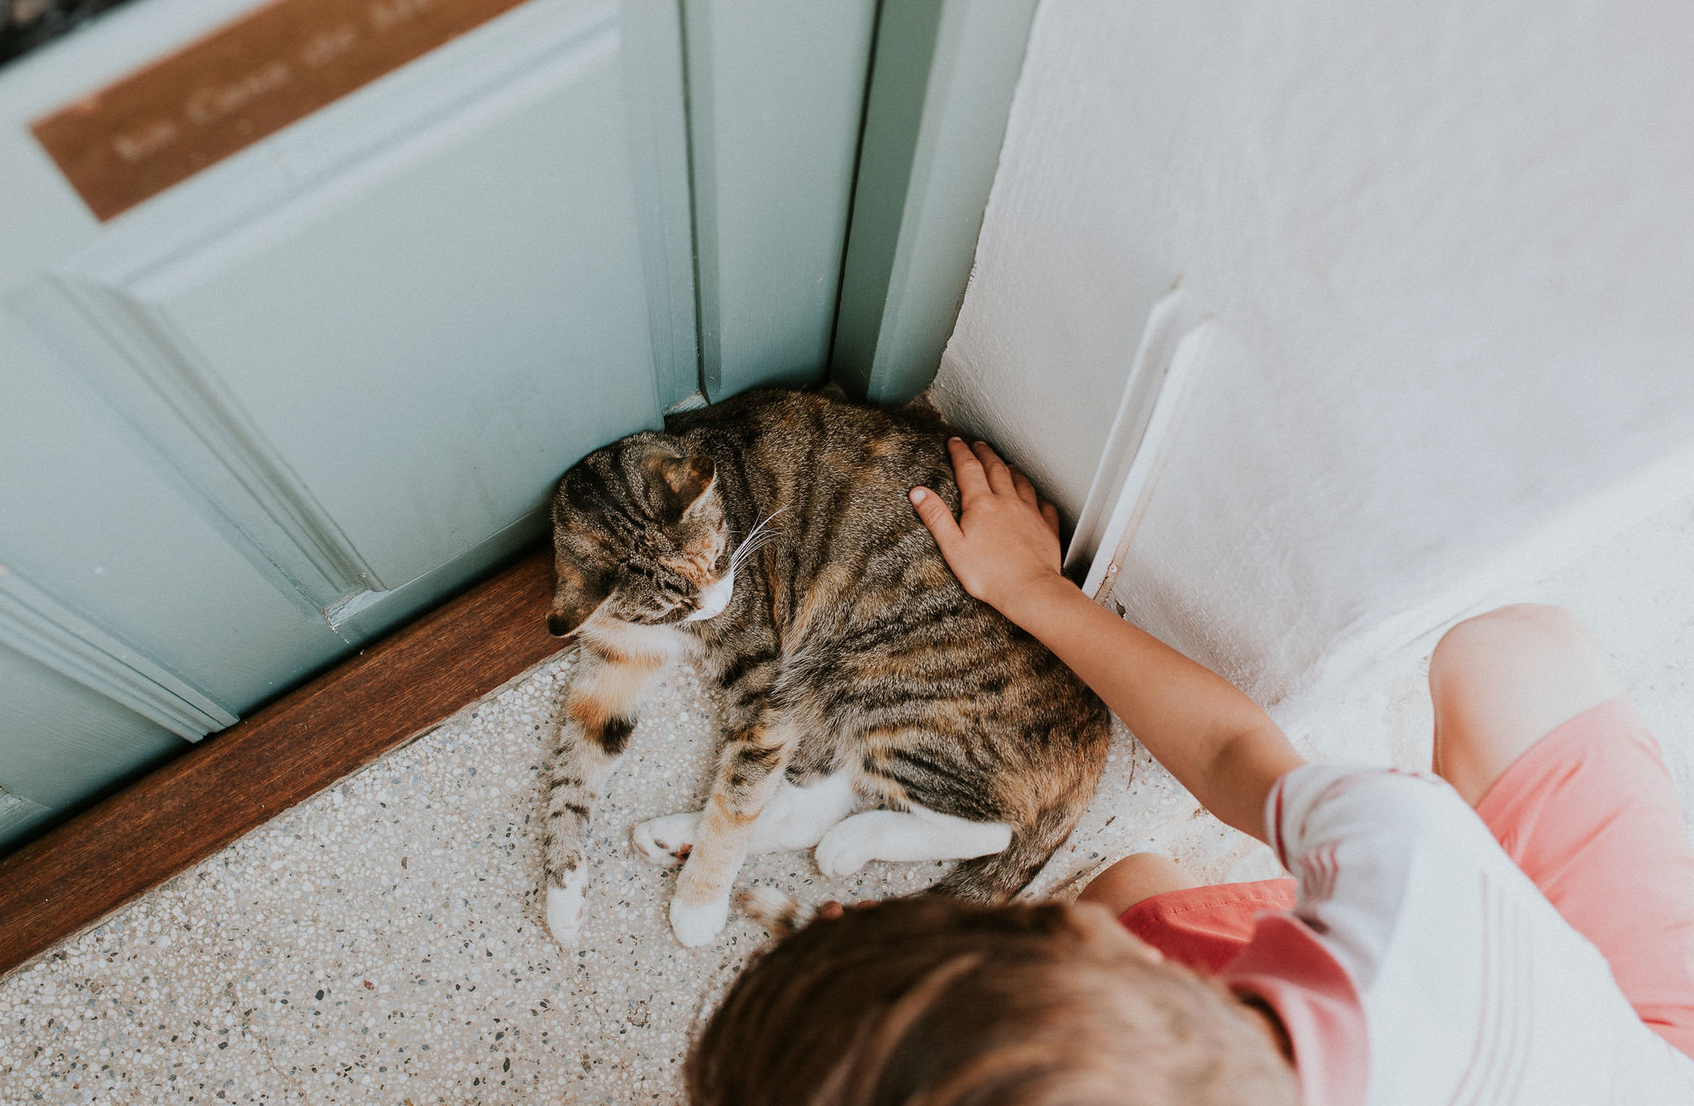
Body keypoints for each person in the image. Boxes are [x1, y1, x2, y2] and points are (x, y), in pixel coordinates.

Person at [685, 438, 1694, 1105]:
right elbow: (1232, 754)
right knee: (1514, 653)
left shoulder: (1410, 882)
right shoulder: (1417, 865)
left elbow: (1224, 762)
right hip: (1641, 1054)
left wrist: (1031, 587)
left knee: (1131, 889)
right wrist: (1033, 589)